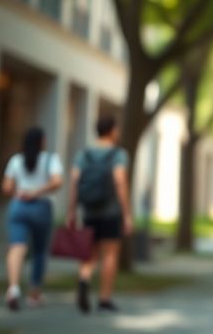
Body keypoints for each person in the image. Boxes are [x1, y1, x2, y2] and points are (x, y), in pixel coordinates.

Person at [66, 116, 132, 314]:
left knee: (89, 253)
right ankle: (104, 298)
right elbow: (120, 181)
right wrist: (127, 213)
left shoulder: (83, 154)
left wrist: (71, 211)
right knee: (110, 255)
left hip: (89, 212)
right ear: (111, 130)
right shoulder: (118, 154)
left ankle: (84, 280)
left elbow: (75, 183)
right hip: (110, 212)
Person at [3, 127, 63, 311]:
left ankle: (13, 288)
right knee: (39, 251)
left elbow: (6, 187)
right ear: (42, 141)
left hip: (18, 206)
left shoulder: (16, 160)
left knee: (17, 247)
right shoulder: (50, 159)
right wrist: (37, 192)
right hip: (40, 207)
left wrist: (19, 192)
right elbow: (57, 182)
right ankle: (34, 293)